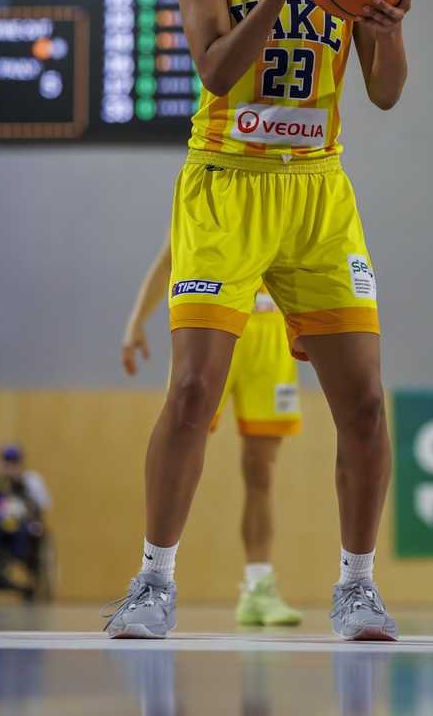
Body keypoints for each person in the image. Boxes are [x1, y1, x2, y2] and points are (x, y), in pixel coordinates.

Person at [104, 0, 419, 641]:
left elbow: (384, 92)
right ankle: (152, 583)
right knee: (191, 391)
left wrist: (388, 30)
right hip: (226, 184)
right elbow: (215, 72)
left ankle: (357, 588)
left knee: (364, 404)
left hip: (317, 192)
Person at [121, 228, 302, 625]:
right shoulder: (208, 191)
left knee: (261, 469)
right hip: (213, 317)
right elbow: (171, 255)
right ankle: (155, 577)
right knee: (181, 444)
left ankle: (258, 586)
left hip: (271, 332)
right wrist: (137, 320)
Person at [0, 444, 51, 597]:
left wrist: (21, 484)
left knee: (26, 529)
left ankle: (19, 554)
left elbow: (44, 503)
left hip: (24, 522)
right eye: (6, 461)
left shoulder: (31, 480)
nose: (10, 465)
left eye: (14, 461)